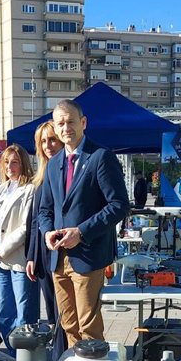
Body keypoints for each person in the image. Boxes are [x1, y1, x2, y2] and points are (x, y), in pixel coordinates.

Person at [37, 99, 130, 346]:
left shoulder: (101, 157)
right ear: (55, 128)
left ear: (83, 123)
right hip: (58, 258)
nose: (66, 127)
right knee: (68, 324)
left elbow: (119, 205)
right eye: (60, 123)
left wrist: (81, 231)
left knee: (88, 325)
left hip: (88, 256)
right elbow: (45, 209)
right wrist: (47, 232)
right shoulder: (54, 163)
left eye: (70, 122)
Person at [0, 144, 39, 350]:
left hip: (18, 259)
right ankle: (13, 355)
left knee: (24, 312)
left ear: (23, 163)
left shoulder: (31, 188)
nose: (10, 166)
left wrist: (1, 250)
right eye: (6, 162)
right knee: (4, 311)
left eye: (14, 162)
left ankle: (26, 358)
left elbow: (26, 226)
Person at [26, 120, 67, 361]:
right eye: (43, 141)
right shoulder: (39, 178)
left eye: (52, 139)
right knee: (51, 309)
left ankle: (63, 356)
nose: (48, 145)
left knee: (65, 310)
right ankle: (57, 355)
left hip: (63, 250)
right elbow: (34, 221)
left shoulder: (67, 172)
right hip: (43, 252)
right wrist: (31, 256)